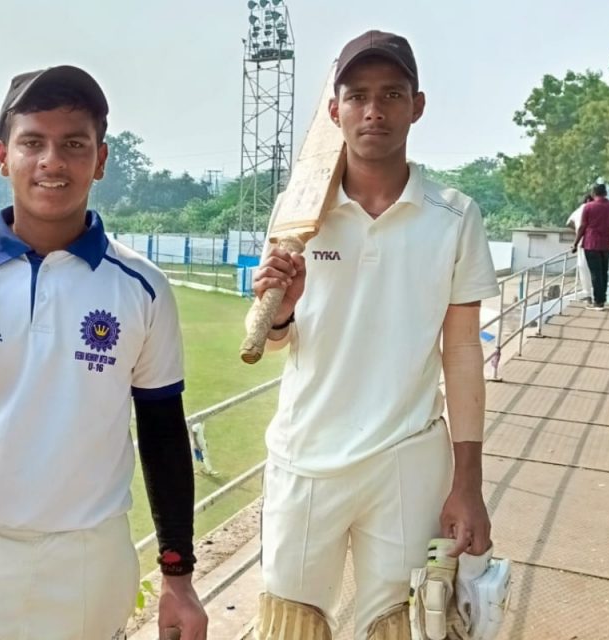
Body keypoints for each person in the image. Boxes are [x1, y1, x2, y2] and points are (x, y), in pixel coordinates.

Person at [0, 66, 207, 640]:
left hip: (86, 559)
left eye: (73, 144)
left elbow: (162, 432)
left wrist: (177, 575)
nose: (52, 162)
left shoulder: (142, 286)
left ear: (100, 160)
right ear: (3, 157)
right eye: (33, 142)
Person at [248, 31, 499, 640]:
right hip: (306, 455)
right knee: (290, 625)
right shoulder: (297, 210)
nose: (373, 111)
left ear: (417, 105)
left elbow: (463, 352)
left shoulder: (453, 215)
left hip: (406, 457)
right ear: (334, 110)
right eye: (357, 96)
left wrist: (468, 483)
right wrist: (281, 312)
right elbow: (272, 339)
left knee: (405, 626)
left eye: (391, 94)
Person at [572, 183, 609, 310]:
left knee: (595, 273)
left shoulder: (588, 207)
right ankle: (602, 298)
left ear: (593, 194)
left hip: (591, 244)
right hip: (607, 245)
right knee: (603, 271)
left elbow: (582, 227)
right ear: (605, 193)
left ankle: (598, 302)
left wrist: (575, 243)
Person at [566, 193, 595, 302]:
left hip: (581, 242)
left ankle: (587, 293)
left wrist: (577, 231)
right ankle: (593, 294)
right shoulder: (591, 209)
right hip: (592, 242)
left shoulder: (578, 211)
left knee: (583, 267)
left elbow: (569, 223)